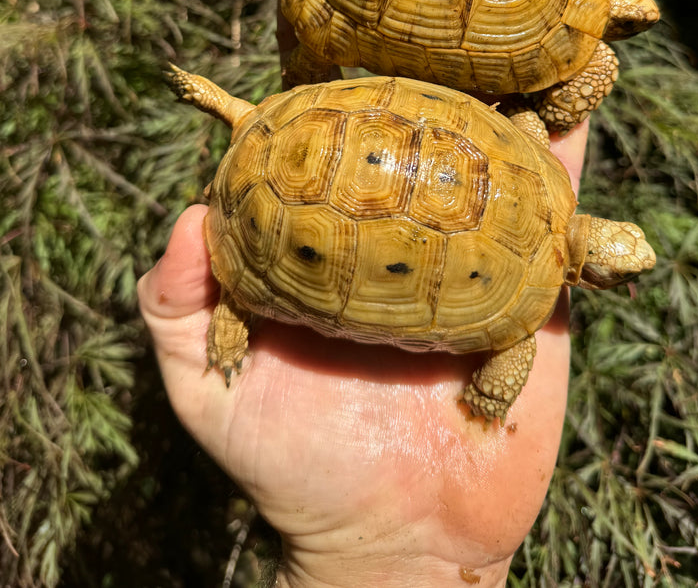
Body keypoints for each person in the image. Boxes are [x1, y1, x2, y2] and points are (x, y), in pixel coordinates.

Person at [138, 118, 588, 588]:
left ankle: (242, 301)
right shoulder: (520, 324)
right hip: (323, 176)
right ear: (585, 273)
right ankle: (241, 302)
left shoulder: (538, 163)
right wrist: (487, 400)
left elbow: (528, 127)